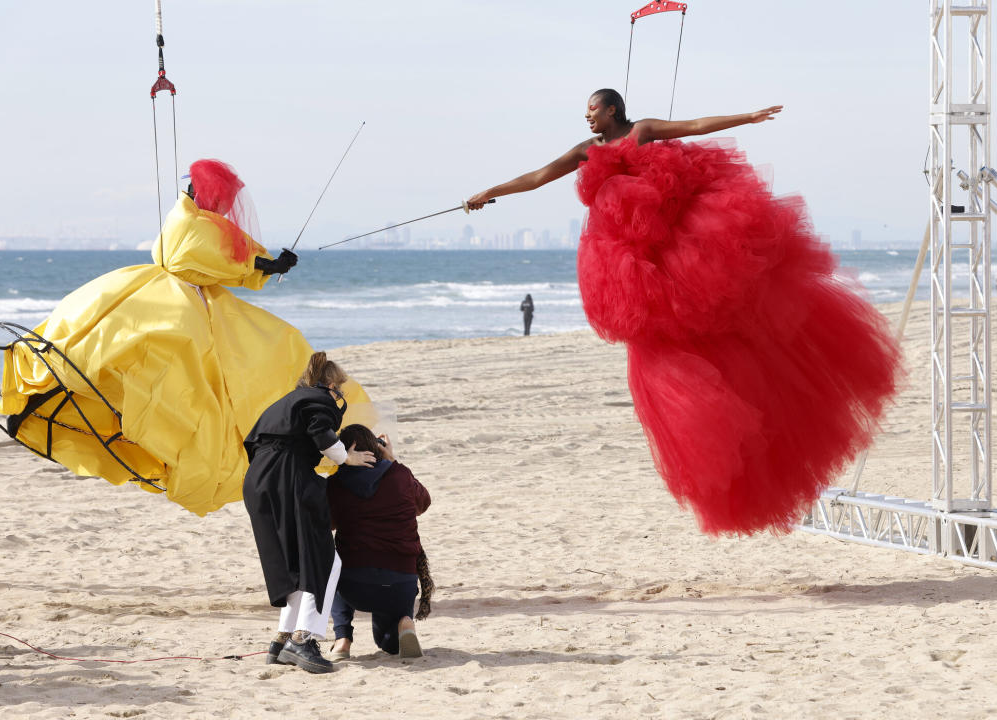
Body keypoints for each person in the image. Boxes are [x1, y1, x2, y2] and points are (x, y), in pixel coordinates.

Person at [465, 89, 901, 535]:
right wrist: (490, 192)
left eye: (593, 108)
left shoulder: (643, 131)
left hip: (674, 246)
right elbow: (539, 176)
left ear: (612, 108)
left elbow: (693, 127)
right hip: (632, 262)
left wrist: (747, 117)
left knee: (724, 309)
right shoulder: (585, 151)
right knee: (666, 343)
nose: (587, 116)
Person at [0, 159, 376, 516]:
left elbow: (221, 257)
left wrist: (266, 265)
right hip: (174, 298)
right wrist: (263, 264)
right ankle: (40, 404)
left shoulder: (200, 219)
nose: (223, 206)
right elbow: (198, 256)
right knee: (158, 359)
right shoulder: (185, 219)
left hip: (200, 300)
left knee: (274, 345)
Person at [243, 352, 377, 674]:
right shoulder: (318, 399)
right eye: (340, 389)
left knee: (292, 562)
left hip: (257, 482)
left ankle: (283, 639)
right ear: (331, 385)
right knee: (324, 561)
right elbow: (322, 435)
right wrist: (348, 458)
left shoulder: (287, 401)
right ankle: (304, 639)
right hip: (286, 478)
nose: (340, 395)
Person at [325, 424, 431, 660]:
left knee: (332, 568)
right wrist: (393, 460)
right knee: (389, 645)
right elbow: (423, 502)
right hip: (399, 584)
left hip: (353, 585)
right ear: (376, 448)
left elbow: (328, 524)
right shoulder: (399, 475)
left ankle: (342, 639)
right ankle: (405, 621)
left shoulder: (335, 484)